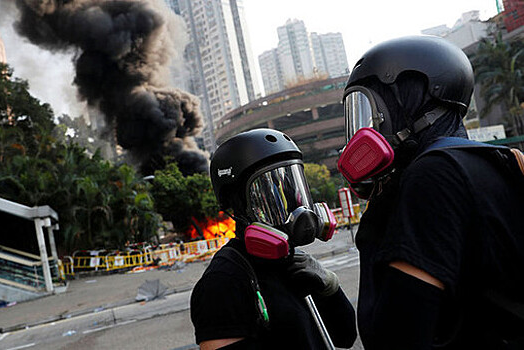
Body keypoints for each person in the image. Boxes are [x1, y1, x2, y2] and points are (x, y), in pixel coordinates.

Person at [337, 35, 524, 349]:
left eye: (372, 111)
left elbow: (393, 337)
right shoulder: (487, 162)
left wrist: (372, 227)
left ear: (410, 99)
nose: (365, 132)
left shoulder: (435, 174)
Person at [190, 128, 357, 349]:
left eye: (293, 188)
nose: (295, 208)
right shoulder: (223, 282)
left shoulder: (294, 262)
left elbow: (344, 337)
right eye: (270, 196)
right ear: (236, 206)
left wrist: (330, 288)